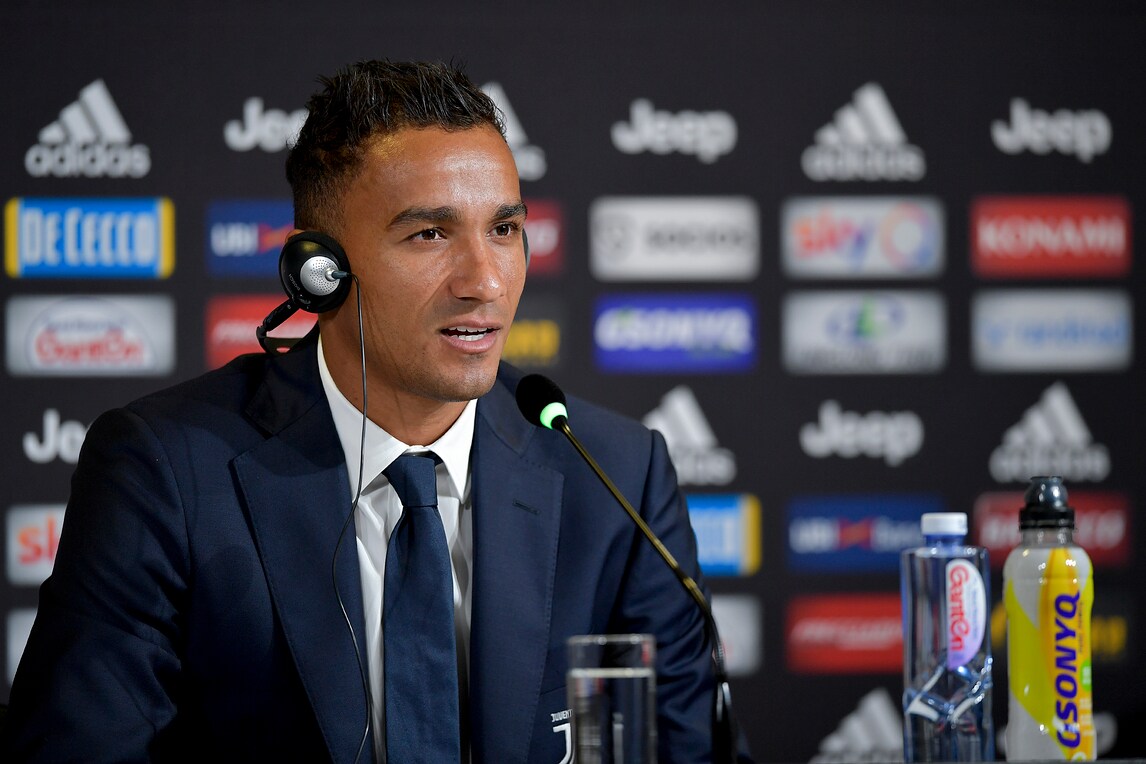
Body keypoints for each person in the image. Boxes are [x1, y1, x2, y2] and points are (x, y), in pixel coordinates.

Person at [4, 60, 748, 762]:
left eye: (504, 229)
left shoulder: (617, 477)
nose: (486, 281)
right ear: (318, 272)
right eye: (430, 233)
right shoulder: (164, 472)